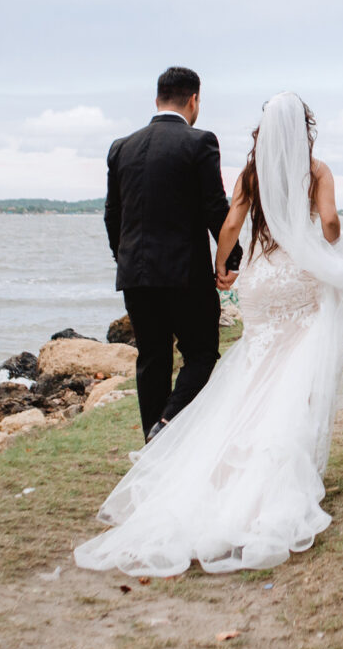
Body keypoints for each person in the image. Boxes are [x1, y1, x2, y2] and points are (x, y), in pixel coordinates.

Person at [74, 92, 343, 577]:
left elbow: (231, 224)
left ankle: (223, 458)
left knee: (254, 367)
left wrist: (222, 267)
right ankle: (277, 468)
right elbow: (331, 222)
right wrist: (329, 246)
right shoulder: (317, 171)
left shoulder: (251, 173)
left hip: (259, 278)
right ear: (304, 129)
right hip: (297, 277)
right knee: (297, 369)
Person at [103, 66, 242, 442]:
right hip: (185, 275)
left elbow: (113, 215)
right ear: (194, 100)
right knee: (201, 354)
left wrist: (125, 259)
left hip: (135, 276)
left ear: (157, 99)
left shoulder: (121, 147)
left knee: (152, 360)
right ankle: (166, 426)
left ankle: (153, 445)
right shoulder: (200, 142)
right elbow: (215, 208)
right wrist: (230, 260)